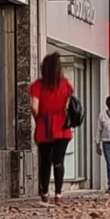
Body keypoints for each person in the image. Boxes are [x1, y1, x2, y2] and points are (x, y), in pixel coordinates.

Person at [29, 52, 74, 205]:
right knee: (59, 161)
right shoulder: (65, 84)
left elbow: (34, 107)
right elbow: (70, 104)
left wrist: (39, 119)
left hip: (44, 126)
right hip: (62, 127)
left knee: (45, 160)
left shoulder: (37, 86)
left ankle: (45, 193)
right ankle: (59, 195)